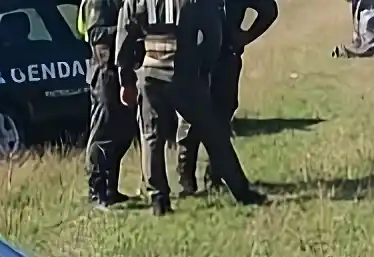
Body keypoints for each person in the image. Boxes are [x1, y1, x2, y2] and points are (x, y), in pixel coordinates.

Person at [116, 0, 267, 216]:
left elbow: (125, 36)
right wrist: (203, 68)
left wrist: (126, 80)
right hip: (184, 73)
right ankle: (241, 191)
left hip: (150, 73)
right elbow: (212, 33)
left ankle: (159, 200)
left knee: (151, 137)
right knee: (213, 134)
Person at [176, 0, 278, 195]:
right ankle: (185, 180)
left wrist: (245, 37)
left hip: (225, 58)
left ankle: (216, 175)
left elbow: (269, 10)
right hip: (196, 59)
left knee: (221, 116)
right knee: (191, 117)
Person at [79, 0, 137, 208]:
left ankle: (111, 188)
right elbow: (97, 35)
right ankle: (97, 191)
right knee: (103, 133)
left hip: (121, 73)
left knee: (123, 132)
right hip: (105, 73)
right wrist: (129, 30)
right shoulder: (98, 2)